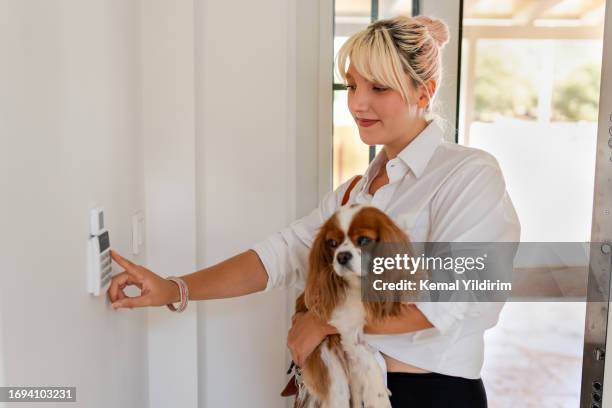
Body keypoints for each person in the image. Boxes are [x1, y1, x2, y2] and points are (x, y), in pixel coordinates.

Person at [108, 14, 520, 407]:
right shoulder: (355, 193)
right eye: (353, 85)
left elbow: (442, 302)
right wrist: (173, 288)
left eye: (378, 88)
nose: (358, 103)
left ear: (424, 92)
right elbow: (281, 253)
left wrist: (326, 321)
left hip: (428, 396)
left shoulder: (468, 175)